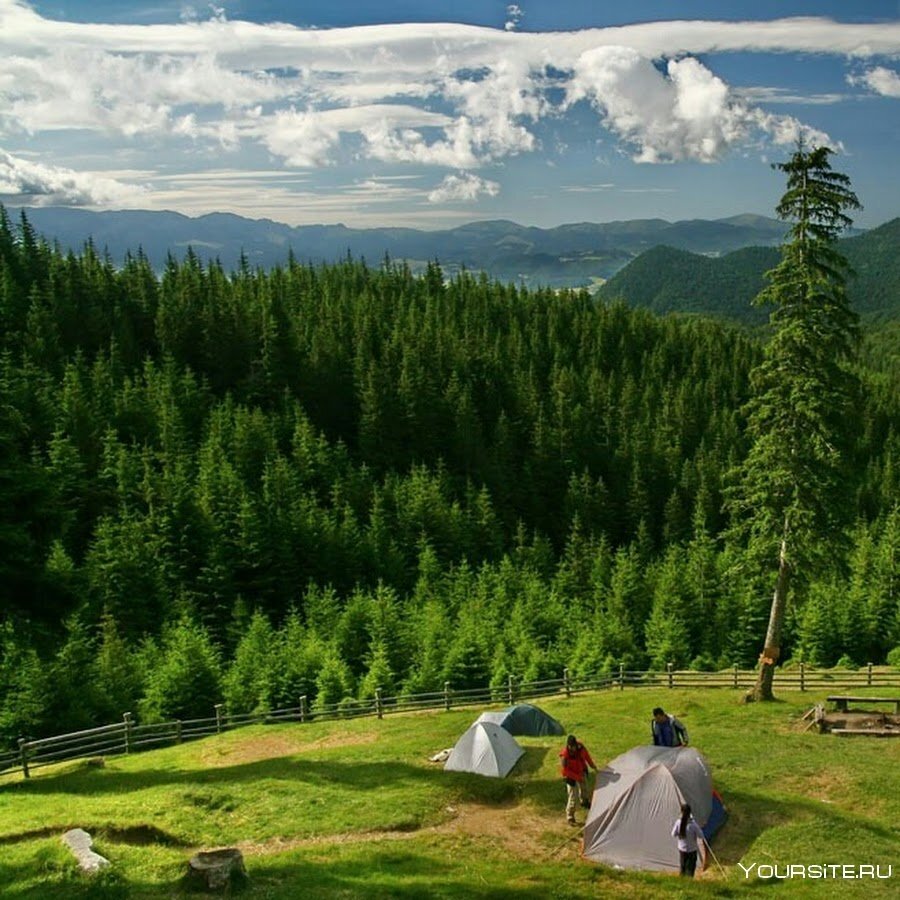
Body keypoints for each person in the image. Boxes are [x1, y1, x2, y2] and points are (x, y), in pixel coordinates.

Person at [558, 734, 596, 825]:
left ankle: (585, 801)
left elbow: (587, 756)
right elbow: (565, 771)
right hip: (570, 777)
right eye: (571, 747)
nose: (573, 748)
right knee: (573, 797)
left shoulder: (581, 747)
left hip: (581, 771)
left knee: (584, 788)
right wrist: (577, 777)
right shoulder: (564, 756)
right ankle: (570, 816)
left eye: (574, 746)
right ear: (568, 746)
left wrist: (592, 765)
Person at [672, 803, 707, 877]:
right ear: (690, 812)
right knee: (690, 869)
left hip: (682, 849)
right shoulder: (693, 825)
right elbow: (701, 836)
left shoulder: (678, 822)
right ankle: (689, 881)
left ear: (681, 812)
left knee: (683, 867)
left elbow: (673, 834)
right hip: (692, 850)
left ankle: (682, 881)